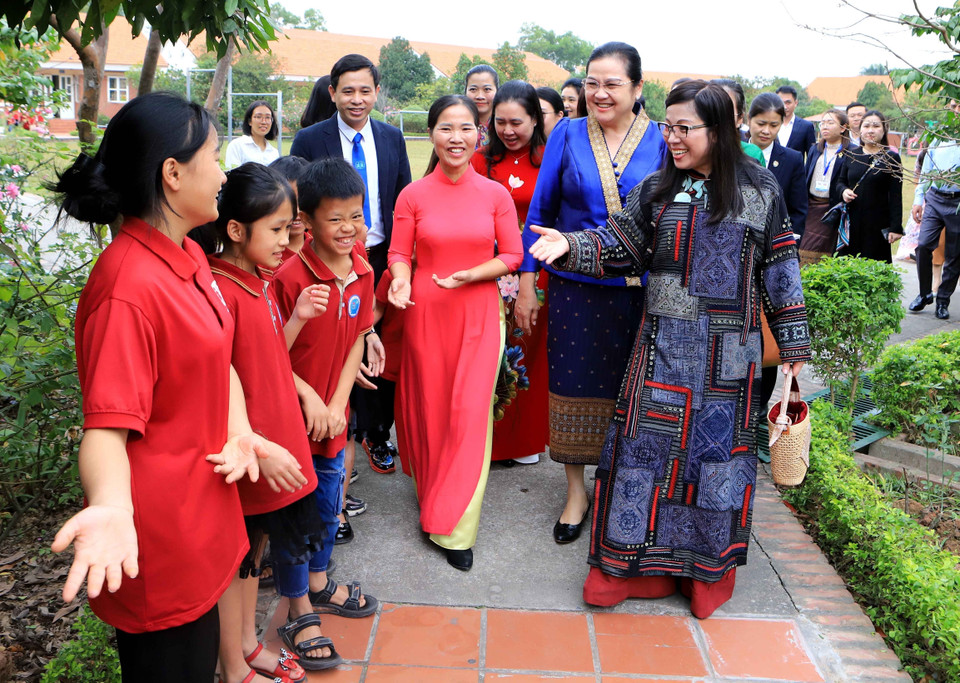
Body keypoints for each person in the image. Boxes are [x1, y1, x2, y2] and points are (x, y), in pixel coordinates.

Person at [529, 80, 811, 619]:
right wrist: (571, 244)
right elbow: (620, 244)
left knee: (714, 466)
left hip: (730, 364)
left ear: (720, 131)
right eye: (668, 125)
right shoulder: (659, 187)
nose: (672, 137)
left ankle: (705, 574)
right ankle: (625, 570)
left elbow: (780, 268)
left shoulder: (760, 188)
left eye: (685, 128)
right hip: (659, 352)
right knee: (640, 457)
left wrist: (795, 347)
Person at [50, 91, 294, 682]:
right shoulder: (127, 288)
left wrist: (240, 434)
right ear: (173, 172)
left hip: (201, 521)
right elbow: (108, 426)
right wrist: (109, 505)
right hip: (158, 542)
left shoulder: (187, 254)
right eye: (214, 156)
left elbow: (221, 363)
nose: (223, 173)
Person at [520, 41, 665, 545]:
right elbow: (539, 214)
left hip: (638, 292)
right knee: (573, 389)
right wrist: (525, 284)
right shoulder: (566, 132)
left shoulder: (663, 141)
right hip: (573, 289)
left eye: (612, 84)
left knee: (633, 395)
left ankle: (621, 488)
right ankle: (576, 492)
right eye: (592, 83)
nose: (600, 94)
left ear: (638, 88)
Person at [195, 163, 330, 681]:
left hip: (275, 437)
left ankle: (248, 642)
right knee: (239, 556)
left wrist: (296, 324)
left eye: (290, 228)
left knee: (256, 551)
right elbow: (222, 377)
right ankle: (232, 663)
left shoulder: (259, 280)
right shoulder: (219, 289)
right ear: (235, 229)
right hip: (249, 446)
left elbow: (272, 355)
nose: (287, 240)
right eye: (276, 230)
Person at [387, 95, 523, 571]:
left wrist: (473, 274)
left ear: (478, 135)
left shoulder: (494, 194)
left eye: (466, 128)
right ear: (432, 134)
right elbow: (399, 254)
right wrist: (401, 279)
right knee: (431, 408)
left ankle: (456, 526)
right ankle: (432, 495)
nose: (457, 138)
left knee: (468, 412)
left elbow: (512, 255)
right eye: (446, 128)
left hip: (480, 311)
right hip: (426, 313)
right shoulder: (413, 195)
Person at [290, 54, 413, 535]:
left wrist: (402, 261)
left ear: (376, 92)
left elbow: (401, 200)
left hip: (379, 257)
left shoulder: (391, 136)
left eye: (365, 91)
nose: (357, 100)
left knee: (375, 349)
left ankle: (373, 435)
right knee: (331, 348)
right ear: (333, 92)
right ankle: (333, 446)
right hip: (326, 259)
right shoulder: (310, 138)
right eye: (347, 91)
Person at [271, 158, 380, 654]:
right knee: (295, 514)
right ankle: (298, 609)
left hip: (332, 421)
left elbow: (358, 338)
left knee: (328, 506)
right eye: (335, 218)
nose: (348, 228)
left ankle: (318, 583)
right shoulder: (287, 277)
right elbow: (266, 354)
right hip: (289, 422)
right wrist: (310, 397)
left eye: (355, 216)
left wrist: (337, 403)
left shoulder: (362, 269)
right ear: (306, 221)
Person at [471, 80, 549, 466]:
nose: (508, 130)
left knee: (527, 354)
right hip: (488, 270)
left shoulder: (552, 159)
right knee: (488, 354)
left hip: (536, 271)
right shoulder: (478, 159)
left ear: (535, 120)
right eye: (500, 122)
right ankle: (487, 439)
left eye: (517, 121)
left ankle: (523, 440)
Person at [909, 99, 960, 320]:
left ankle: (943, 300)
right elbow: (927, 172)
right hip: (936, 198)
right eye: (953, 107)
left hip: (958, 203)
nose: (956, 111)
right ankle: (924, 293)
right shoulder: (939, 136)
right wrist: (918, 200)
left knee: (954, 255)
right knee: (922, 246)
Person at [836, 109, 903, 263]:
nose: (870, 130)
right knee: (848, 267)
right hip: (851, 221)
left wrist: (895, 227)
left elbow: (896, 195)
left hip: (877, 223)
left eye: (876, 126)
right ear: (860, 130)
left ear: (884, 129)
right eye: (866, 126)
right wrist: (844, 191)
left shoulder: (891, 158)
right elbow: (840, 182)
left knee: (874, 268)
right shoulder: (851, 154)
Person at [798, 109, 856, 266]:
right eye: (822, 123)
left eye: (830, 123)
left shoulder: (852, 152)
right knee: (804, 246)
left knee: (824, 250)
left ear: (843, 128)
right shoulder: (815, 149)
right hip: (811, 207)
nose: (825, 127)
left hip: (832, 208)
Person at [747, 93, 808, 236]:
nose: (766, 131)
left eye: (774, 125)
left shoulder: (792, 159)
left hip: (777, 241)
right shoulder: (732, 153)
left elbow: (798, 211)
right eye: (761, 124)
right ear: (749, 119)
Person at [710, 78, 764, 163]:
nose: (718, 117)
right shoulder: (690, 152)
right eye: (712, 109)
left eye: (726, 111)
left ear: (740, 118)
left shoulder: (752, 154)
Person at [269, 155, 311, 261]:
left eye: (302, 201)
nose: (297, 211)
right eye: (289, 202)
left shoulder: (323, 246)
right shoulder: (264, 258)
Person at [225, 100, 280, 169]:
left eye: (268, 117)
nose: (264, 122)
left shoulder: (274, 152)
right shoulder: (237, 146)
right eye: (258, 117)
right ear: (249, 121)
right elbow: (232, 175)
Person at [775, 85, 816, 159]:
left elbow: (811, 156)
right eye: (781, 102)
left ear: (796, 103)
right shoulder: (769, 125)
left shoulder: (806, 127)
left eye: (788, 102)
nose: (784, 106)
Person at [465, 64, 499, 148]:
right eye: (473, 89)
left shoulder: (504, 127)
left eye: (487, 89)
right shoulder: (456, 123)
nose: (480, 96)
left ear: (497, 91)